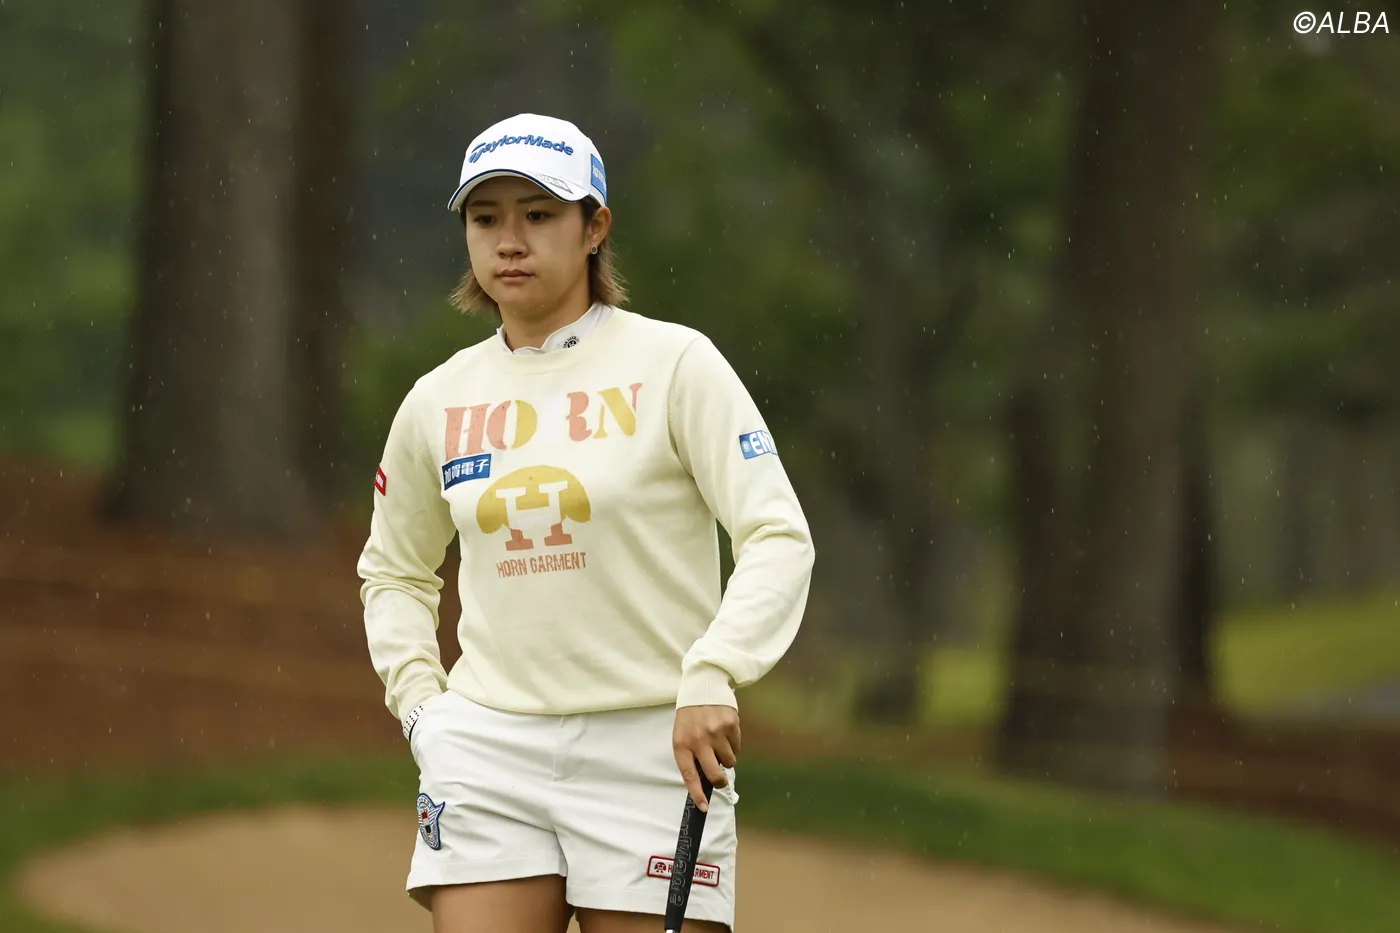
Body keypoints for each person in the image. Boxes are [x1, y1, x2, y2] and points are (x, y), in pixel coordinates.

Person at [357, 112, 815, 933]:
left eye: (538, 215)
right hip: (486, 750)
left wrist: (715, 670)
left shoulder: (676, 365)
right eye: (485, 218)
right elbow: (394, 570)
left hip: (655, 749)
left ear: (595, 227)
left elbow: (777, 536)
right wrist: (423, 707)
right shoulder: (438, 399)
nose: (509, 241)